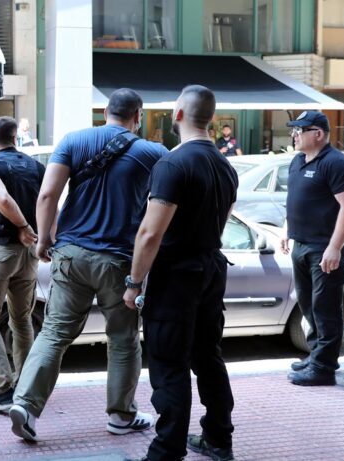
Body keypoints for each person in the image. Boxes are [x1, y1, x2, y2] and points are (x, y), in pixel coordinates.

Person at [9, 88, 167, 443]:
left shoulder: (74, 140)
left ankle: (25, 405)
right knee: (123, 338)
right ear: (138, 116)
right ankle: (121, 415)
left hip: (70, 255)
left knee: (54, 333)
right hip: (119, 260)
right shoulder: (153, 153)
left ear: (106, 112)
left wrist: (44, 239)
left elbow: (47, 195)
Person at [123, 85, 238, 461]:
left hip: (176, 276)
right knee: (208, 357)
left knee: (170, 363)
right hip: (210, 270)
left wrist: (134, 283)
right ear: (212, 119)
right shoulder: (225, 166)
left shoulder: (173, 164)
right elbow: (223, 218)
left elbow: (150, 233)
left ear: (177, 115)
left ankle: (166, 451)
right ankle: (219, 438)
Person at [280, 111, 344, 387]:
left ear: (318, 134)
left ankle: (323, 368)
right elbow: (295, 198)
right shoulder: (297, 160)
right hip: (301, 245)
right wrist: (286, 229)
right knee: (308, 305)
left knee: (325, 308)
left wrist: (335, 248)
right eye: (294, 130)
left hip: (324, 249)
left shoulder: (335, 163)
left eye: (299, 130)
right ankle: (316, 356)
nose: (294, 135)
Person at [0, 117, 45, 413]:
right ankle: (25, 387)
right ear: (16, 137)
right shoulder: (36, 166)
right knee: (21, 319)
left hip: (1, 249)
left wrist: (22, 226)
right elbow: (48, 202)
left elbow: (2, 199)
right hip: (29, 252)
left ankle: (2, 387)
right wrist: (39, 236)